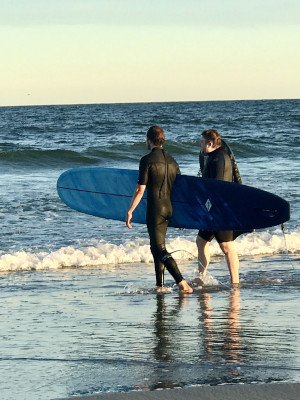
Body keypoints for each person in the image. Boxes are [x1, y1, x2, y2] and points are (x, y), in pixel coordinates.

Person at [126, 126, 193, 294]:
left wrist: (130, 211)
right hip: (169, 209)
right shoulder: (172, 161)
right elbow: (179, 190)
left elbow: (140, 189)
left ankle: (182, 282)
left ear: (149, 140)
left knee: (158, 249)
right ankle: (159, 285)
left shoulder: (146, 160)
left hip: (155, 210)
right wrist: (182, 216)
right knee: (157, 247)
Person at [196, 129, 243, 288]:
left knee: (227, 246)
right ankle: (201, 278)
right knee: (201, 241)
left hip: (220, 211)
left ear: (209, 143)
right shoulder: (213, 157)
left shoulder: (219, 159)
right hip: (212, 211)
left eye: (202, 142)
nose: (200, 145)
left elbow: (218, 186)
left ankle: (234, 282)